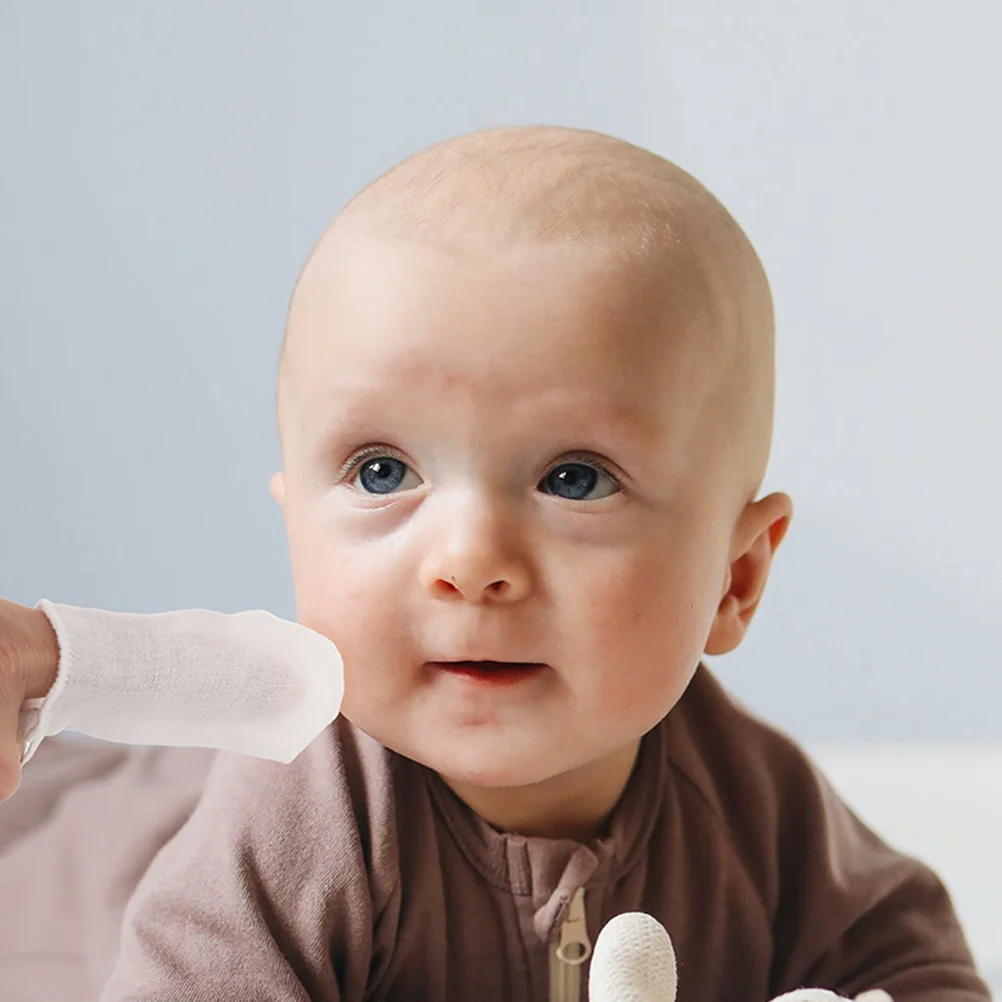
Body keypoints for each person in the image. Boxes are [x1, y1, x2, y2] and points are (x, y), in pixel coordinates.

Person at [0, 125, 990, 1002]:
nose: (471, 564)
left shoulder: (751, 806)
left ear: (734, 579)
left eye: (575, 479)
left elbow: (910, 956)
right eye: (382, 470)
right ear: (294, 526)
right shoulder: (305, 817)